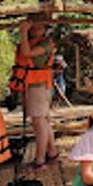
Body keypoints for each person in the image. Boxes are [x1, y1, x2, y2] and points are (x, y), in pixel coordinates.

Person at [9, 18, 56, 169]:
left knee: (39, 122)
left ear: (45, 29)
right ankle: (52, 153)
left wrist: (22, 31)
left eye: (39, 28)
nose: (35, 31)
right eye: (32, 29)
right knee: (42, 121)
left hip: (39, 86)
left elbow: (26, 53)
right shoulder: (29, 41)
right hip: (30, 85)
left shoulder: (46, 43)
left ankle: (40, 160)